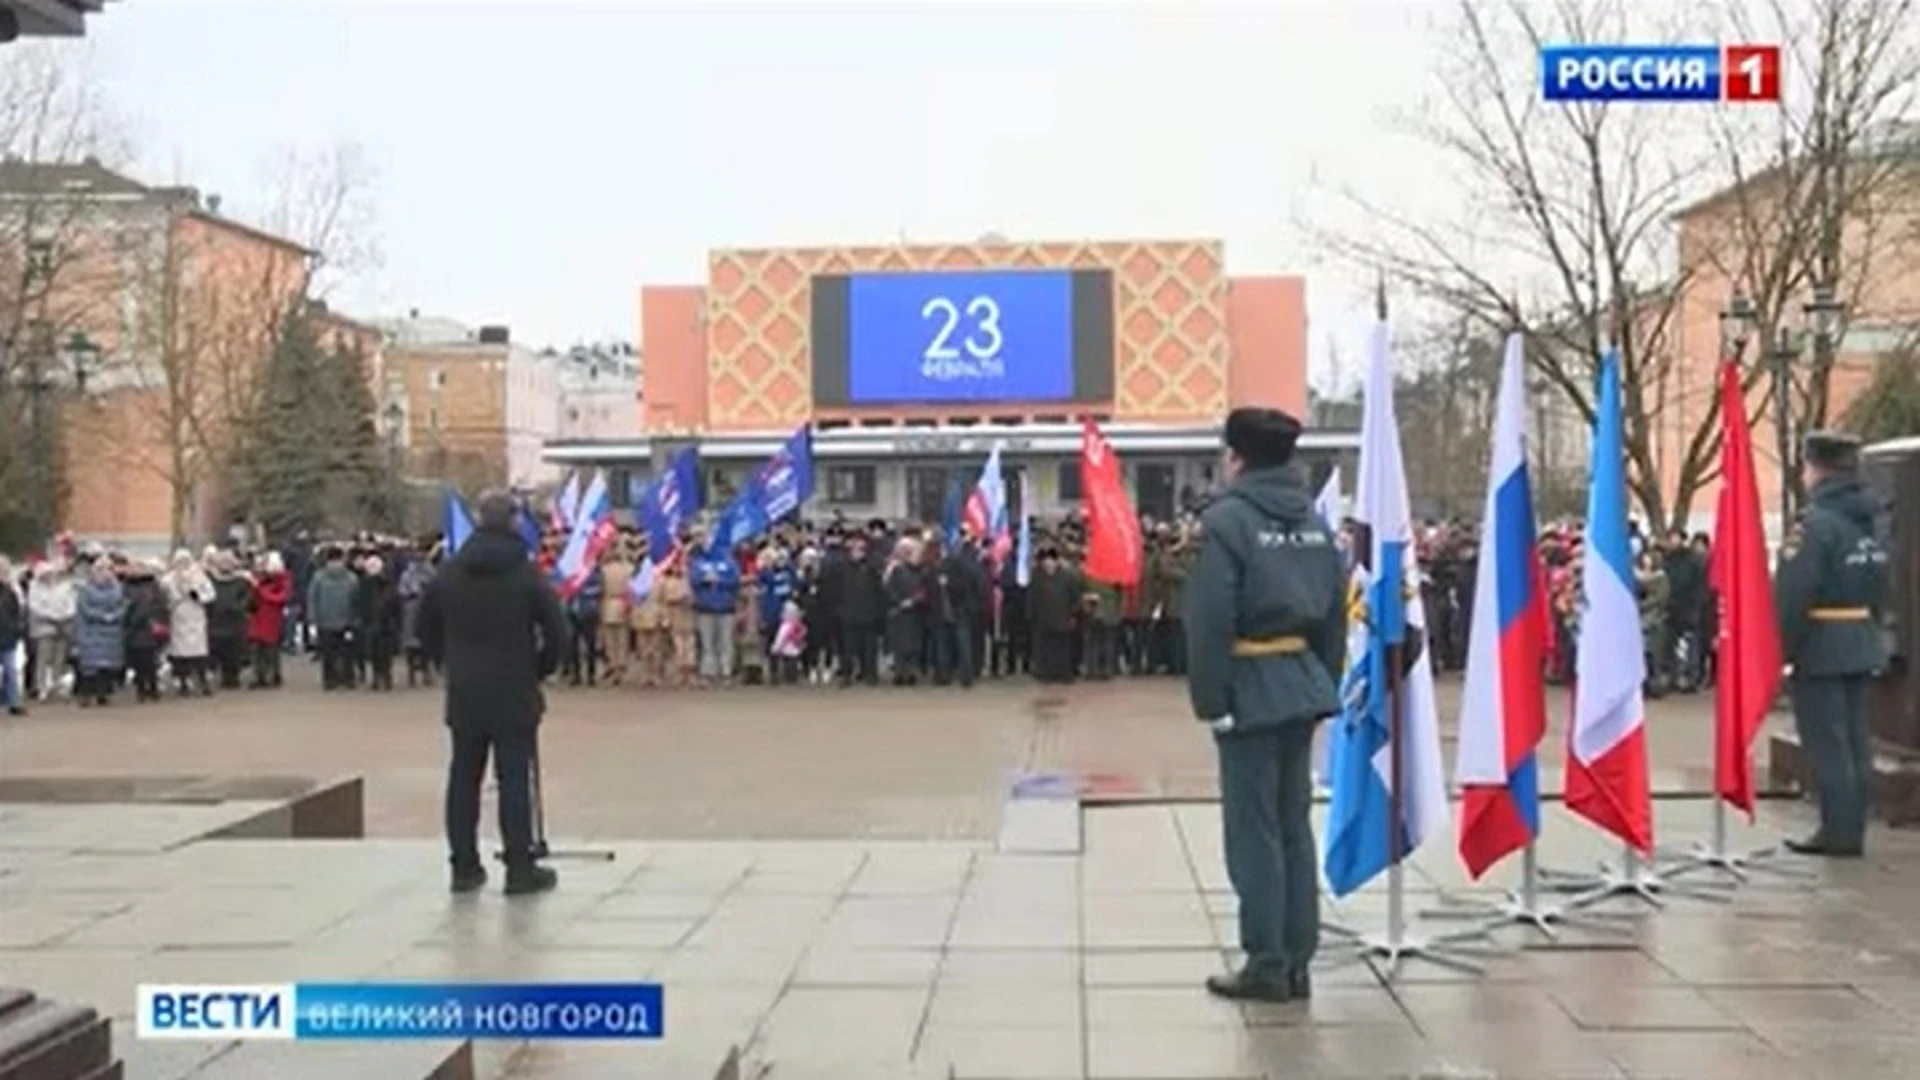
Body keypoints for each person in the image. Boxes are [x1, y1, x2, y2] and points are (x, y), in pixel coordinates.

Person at [1184, 407, 1346, 1002]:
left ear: (1237, 457)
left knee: (1253, 833)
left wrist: (1211, 699)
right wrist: (1321, 680)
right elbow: (1333, 610)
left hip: (1249, 686)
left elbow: (1209, 619)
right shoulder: (1316, 523)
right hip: (1301, 682)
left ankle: (1266, 962)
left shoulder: (1227, 521)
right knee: (1293, 827)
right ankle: (1298, 959)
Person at [418, 490, 569, 895]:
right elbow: (557, 632)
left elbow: (422, 626)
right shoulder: (525, 574)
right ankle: (520, 869)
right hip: (514, 689)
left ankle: (463, 866)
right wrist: (540, 668)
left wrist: (445, 662)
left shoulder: (450, 572)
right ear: (514, 522)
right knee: (514, 779)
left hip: (465, 691)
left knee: (463, 777)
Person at [1776, 430, 1892, 858]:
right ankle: (1851, 827)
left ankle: (1838, 833)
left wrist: (1784, 650)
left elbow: (1795, 593)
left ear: (1817, 469)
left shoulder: (1815, 524)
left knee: (1828, 745)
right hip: (1860, 637)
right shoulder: (1873, 518)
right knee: (1857, 743)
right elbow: (1884, 582)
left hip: (1821, 644)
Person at [74, 558, 128, 707]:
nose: (105, 573)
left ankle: (103, 694)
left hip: (112, 631)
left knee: (107, 666)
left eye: (108, 569)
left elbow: (123, 606)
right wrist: (103, 616)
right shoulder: (85, 589)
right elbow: (84, 609)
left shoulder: (118, 588)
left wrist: (115, 616)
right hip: (91, 630)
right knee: (90, 667)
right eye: (101, 569)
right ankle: (85, 694)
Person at [163, 550, 215, 697]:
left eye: (185, 561)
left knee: (199, 651)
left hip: (196, 616)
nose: (183, 565)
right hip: (179, 617)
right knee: (180, 653)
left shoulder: (199, 577)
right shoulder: (169, 579)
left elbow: (210, 594)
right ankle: (183, 682)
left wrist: (197, 595)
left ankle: (203, 681)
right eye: (180, 561)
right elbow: (164, 597)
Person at [307, 548, 360, 690]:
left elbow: (312, 599)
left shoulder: (318, 577)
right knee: (346, 653)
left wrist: (313, 619)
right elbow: (356, 601)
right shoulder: (351, 578)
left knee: (329, 653)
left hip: (325, 621)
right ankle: (347, 679)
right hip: (345, 620)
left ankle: (330, 680)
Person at [248, 553, 292, 688]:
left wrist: (261, 590)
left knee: (271, 650)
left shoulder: (283, 580)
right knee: (257, 650)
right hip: (258, 618)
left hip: (273, 619)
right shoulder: (260, 580)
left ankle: (273, 675)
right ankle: (259, 675)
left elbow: (281, 598)